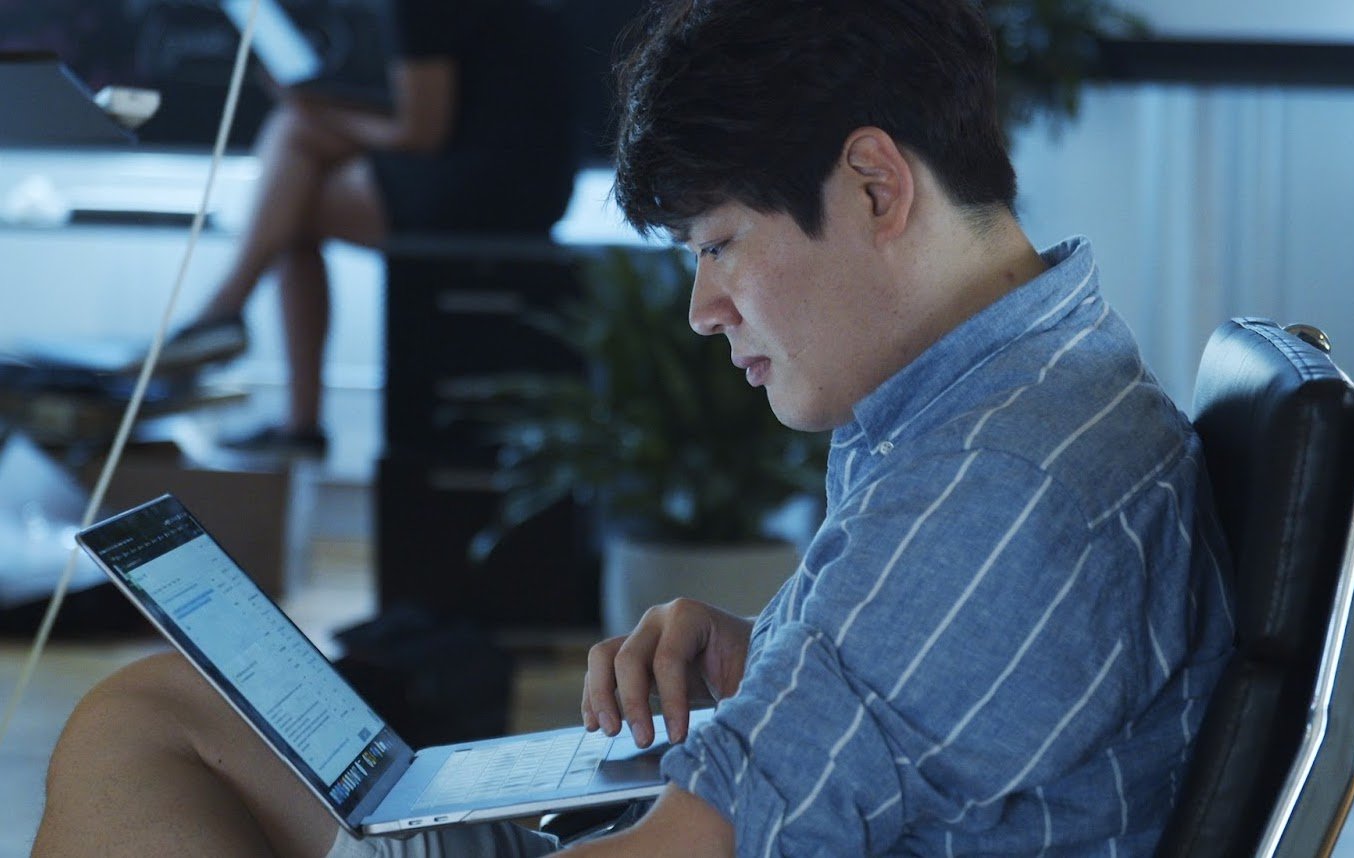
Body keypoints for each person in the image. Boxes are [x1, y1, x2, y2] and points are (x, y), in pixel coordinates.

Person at [34, 0, 1235, 855]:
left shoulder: (995, 480)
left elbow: (703, 844)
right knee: (162, 709)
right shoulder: (1020, 388)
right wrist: (765, 652)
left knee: (138, 743)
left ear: (875, 186)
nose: (707, 311)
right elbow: (949, 690)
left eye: (718, 245)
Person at [155, 0, 577, 457]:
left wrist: (319, 111)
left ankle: (232, 325)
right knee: (295, 160)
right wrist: (322, 104)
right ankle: (240, 338)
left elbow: (422, 133)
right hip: (538, 182)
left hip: (486, 187)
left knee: (294, 179)